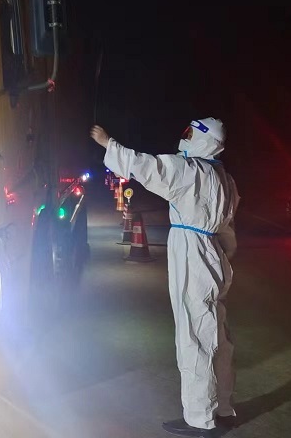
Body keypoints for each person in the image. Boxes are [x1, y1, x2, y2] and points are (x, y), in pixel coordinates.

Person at [90, 118, 240, 438]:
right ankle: (223, 408)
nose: (184, 137)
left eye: (190, 133)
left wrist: (108, 144)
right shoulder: (224, 178)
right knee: (218, 335)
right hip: (215, 254)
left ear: (203, 140)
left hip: (193, 253)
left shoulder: (190, 171)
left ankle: (200, 418)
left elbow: (147, 167)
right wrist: (224, 257)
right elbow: (228, 227)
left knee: (195, 336)